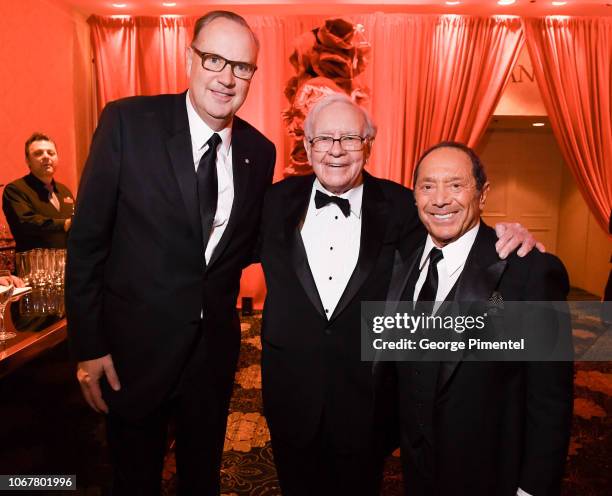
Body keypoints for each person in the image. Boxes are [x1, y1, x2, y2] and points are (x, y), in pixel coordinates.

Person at [258, 95, 539, 496]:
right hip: (290, 394)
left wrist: (510, 235)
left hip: (368, 401)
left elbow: (453, 222)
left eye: (351, 138)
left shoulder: (401, 206)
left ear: (369, 145)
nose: (336, 150)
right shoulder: (273, 202)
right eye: (324, 139)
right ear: (307, 146)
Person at [65, 11, 275, 495]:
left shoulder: (258, 152)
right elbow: (87, 243)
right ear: (189, 59)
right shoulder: (127, 122)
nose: (227, 77)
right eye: (215, 59)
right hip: (132, 356)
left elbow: (252, 243)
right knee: (133, 480)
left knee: (201, 480)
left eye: (241, 67)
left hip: (213, 359)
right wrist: (89, 347)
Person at [387, 142, 573, 496]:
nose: (440, 199)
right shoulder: (403, 261)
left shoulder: (528, 271)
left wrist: (533, 487)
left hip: (491, 476)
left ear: (482, 194)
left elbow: (550, 399)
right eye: (428, 186)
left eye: (456, 185)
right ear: (414, 196)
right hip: (417, 470)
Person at [2, 133, 75, 252]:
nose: (46, 156)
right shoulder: (15, 189)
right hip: (32, 267)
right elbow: (26, 223)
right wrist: (64, 224)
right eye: (38, 153)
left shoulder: (65, 191)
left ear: (57, 157)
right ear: (27, 160)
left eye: (51, 153)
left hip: (65, 265)